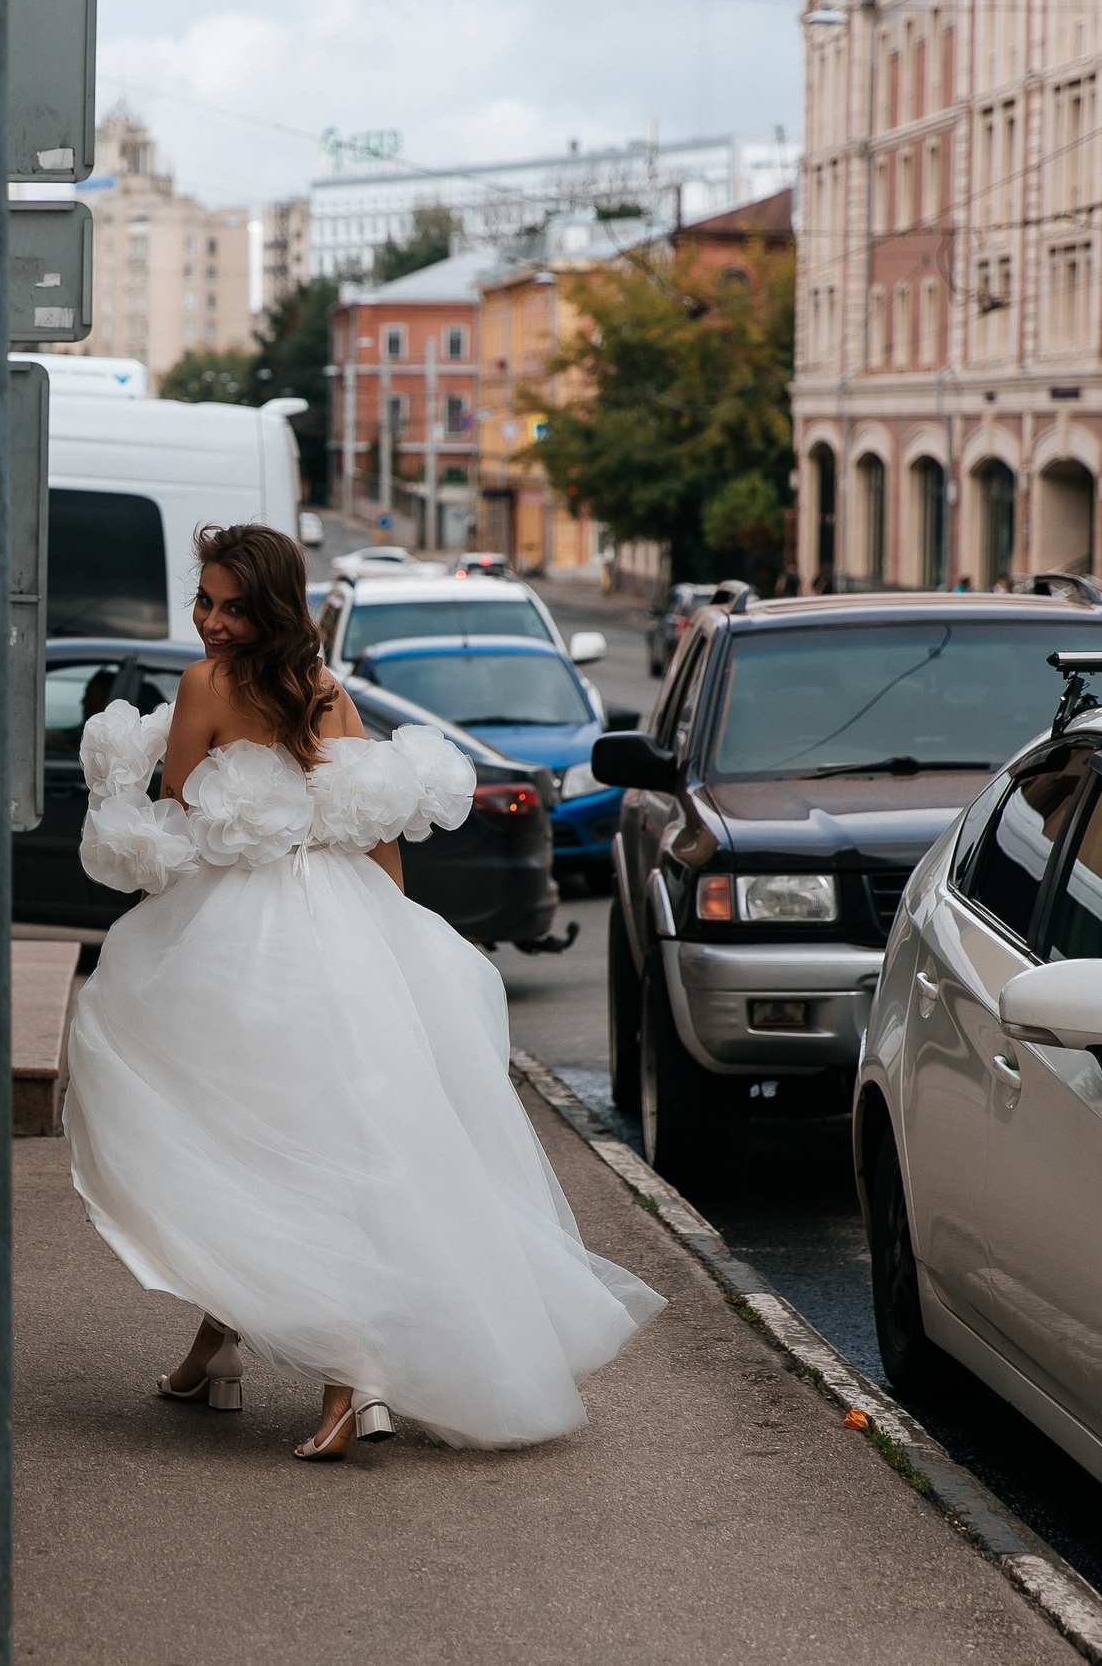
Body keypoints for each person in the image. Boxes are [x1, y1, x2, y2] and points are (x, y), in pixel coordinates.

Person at [63, 523, 663, 1461]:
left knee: (239, 1144)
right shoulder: (326, 689)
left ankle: (351, 1375)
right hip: (343, 923)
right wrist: (399, 948)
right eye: (204, 602)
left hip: (242, 931)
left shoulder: (203, 686)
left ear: (267, 608)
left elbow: (179, 821)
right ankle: (215, 1351)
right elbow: (373, 828)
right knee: (324, 1143)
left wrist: (127, 788)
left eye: (229, 605)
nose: (211, 622)